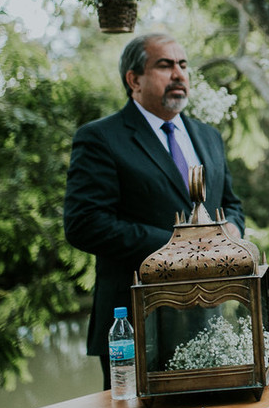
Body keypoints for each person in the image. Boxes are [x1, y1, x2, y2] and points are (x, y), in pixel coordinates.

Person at [65, 32, 244, 389]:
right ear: (134, 80)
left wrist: (233, 233)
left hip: (210, 317)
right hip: (134, 323)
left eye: (183, 65)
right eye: (164, 65)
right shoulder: (101, 137)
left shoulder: (208, 136)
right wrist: (181, 248)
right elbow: (85, 223)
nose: (178, 74)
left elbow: (231, 205)